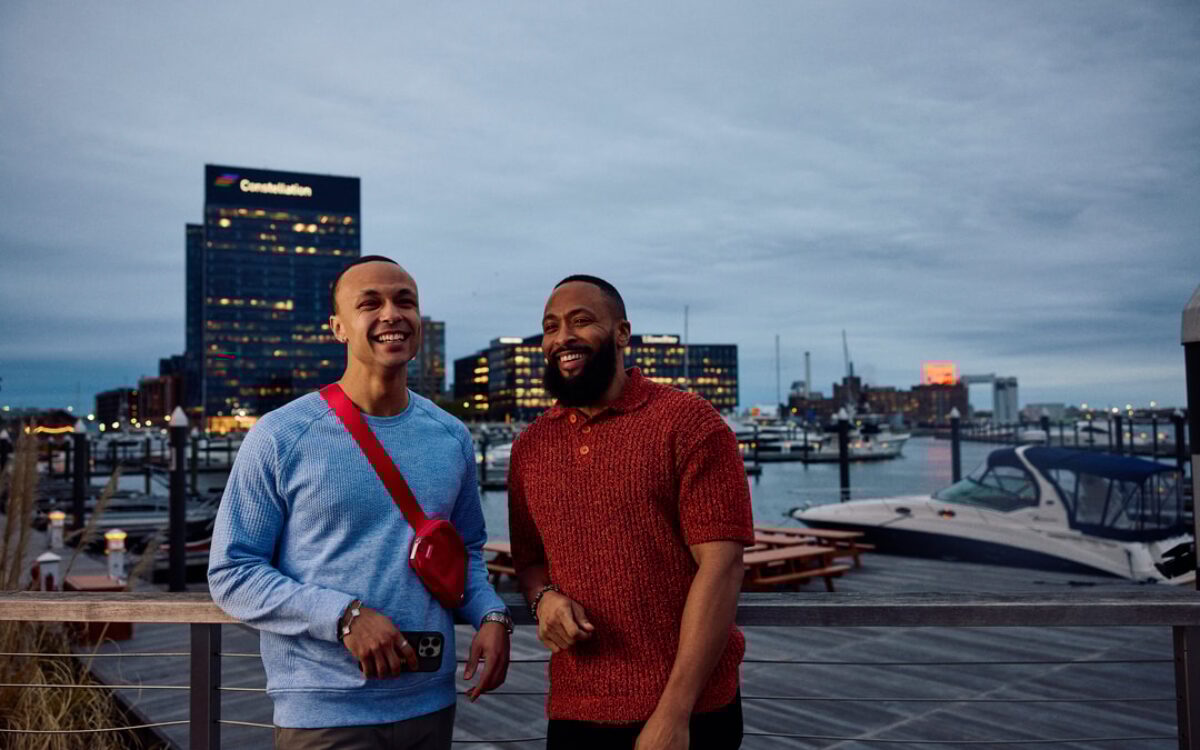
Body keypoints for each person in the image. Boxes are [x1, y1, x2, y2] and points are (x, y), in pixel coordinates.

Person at [209, 256, 512, 750]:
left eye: (404, 301)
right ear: (339, 328)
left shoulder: (451, 436)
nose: (391, 313)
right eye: (370, 304)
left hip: (431, 699)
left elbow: (468, 551)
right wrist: (344, 616)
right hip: (324, 710)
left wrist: (491, 615)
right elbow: (232, 571)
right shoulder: (281, 435)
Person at [508, 275, 754, 750]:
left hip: (693, 712)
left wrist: (673, 713)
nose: (563, 338)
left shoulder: (689, 422)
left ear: (622, 333)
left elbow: (722, 567)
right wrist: (544, 600)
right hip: (576, 709)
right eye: (551, 326)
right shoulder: (529, 447)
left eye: (582, 321)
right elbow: (530, 564)